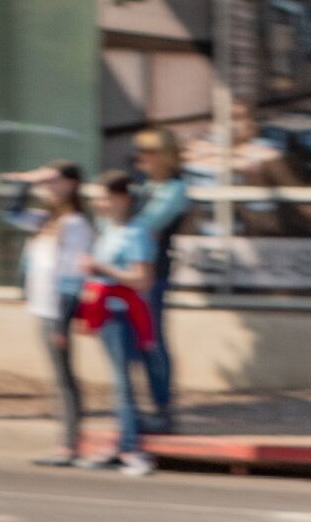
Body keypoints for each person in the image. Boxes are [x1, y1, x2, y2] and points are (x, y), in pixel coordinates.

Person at [77, 172, 163, 474]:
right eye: (97, 199)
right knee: (119, 382)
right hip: (107, 313)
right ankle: (123, 444)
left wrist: (102, 268)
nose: (99, 204)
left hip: (123, 315)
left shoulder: (135, 233)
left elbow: (142, 280)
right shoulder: (109, 229)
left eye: (105, 198)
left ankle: (132, 449)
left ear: (123, 199)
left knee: (123, 383)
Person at [17, 165, 96, 468]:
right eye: (45, 182)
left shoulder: (75, 224)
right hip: (43, 307)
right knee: (59, 377)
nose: (48, 186)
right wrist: (26, 182)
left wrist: (62, 322)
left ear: (72, 184)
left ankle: (69, 445)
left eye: (54, 181)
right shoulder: (45, 221)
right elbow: (10, 212)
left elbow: (71, 277)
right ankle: (67, 442)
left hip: (57, 310)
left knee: (64, 378)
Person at [124, 128, 199, 433]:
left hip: (153, 274)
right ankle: (139, 409)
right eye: (139, 152)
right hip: (127, 272)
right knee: (132, 344)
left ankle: (163, 411)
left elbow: (144, 225)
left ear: (164, 156)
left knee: (152, 341)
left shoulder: (175, 189)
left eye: (148, 152)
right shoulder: (141, 187)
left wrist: (124, 224)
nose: (140, 158)